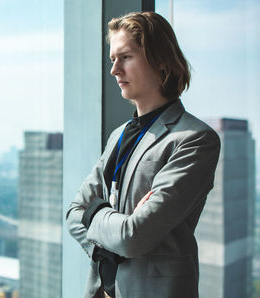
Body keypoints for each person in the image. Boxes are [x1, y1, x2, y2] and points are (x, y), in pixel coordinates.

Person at [66, 11, 221, 298]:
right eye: (113, 59)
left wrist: (96, 213)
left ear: (160, 59)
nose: (114, 70)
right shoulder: (118, 135)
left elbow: (134, 237)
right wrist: (110, 231)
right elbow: (74, 213)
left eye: (125, 57)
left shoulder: (194, 139)